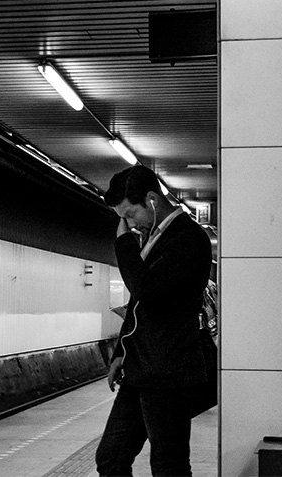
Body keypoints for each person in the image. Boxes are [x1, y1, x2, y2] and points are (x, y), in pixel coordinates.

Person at [95, 165, 212, 477]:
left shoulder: (188, 239)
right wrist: (122, 351)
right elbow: (138, 308)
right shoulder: (153, 238)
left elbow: (144, 289)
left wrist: (124, 243)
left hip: (169, 371)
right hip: (140, 369)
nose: (129, 224)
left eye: (130, 214)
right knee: (111, 457)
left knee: (168, 466)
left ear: (151, 200)